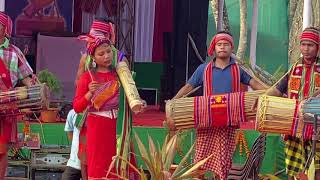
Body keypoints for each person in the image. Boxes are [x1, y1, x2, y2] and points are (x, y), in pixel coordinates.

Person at [170, 31, 265, 179]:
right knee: (200, 158)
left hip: (227, 124)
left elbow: (255, 83)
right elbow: (188, 87)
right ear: (214, 48)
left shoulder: (238, 70)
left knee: (223, 160)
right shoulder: (203, 69)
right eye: (219, 44)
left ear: (231, 48)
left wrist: (273, 93)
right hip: (206, 123)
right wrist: (173, 101)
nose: (222, 47)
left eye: (226, 44)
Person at [263, 27, 319, 180]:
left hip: (317, 128)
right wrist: (263, 98)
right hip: (295, 126)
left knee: (317, 167)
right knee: (294, 169)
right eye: (303, 44)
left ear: (317, 47)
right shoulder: (294, 68)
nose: (306, 49)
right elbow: (278, 89)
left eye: (310, 45)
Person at [0, 11, 34, 178]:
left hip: (6, 107)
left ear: (5, 29)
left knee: (1, 150)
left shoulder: (14, 52)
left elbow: (28, 78)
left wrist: (38, 90)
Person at [62, 109, 82, 180]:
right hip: (74, 163)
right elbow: (70, 134)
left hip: (91, 163)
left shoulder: (97, 112)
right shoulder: (72, 112)